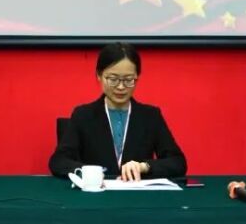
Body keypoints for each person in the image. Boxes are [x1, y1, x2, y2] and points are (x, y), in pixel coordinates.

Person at [49, 42, 186, 181]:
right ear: (99, 75)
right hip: (96, 191)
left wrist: (145, 166)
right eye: (113, 79)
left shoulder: (151, 116)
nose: (121, 87)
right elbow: (59, 161)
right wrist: (87, 172)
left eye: (128, 80)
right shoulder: (83, 115)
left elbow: (178, 162)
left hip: (136, 192)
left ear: (137, 77)